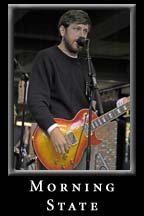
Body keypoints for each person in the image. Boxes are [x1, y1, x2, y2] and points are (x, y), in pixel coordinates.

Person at [27, 10, 129, 170]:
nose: (82, 35)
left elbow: (94, 108)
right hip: (55, 143)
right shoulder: (46, 57)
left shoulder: (86, 65)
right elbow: (36, 100)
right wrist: (53, 131)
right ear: (62, 30)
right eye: (76, 29)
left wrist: (121, 103)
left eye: (85, 30)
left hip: (81, 147)